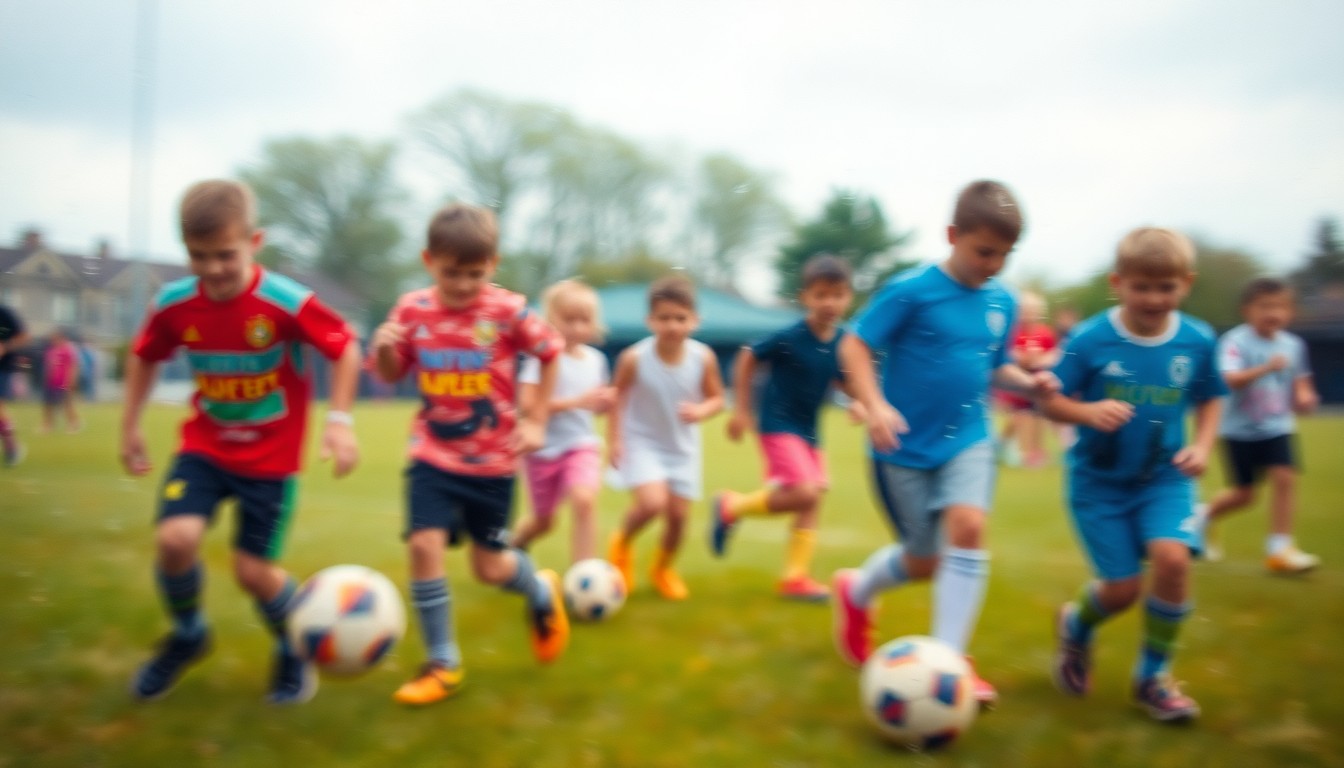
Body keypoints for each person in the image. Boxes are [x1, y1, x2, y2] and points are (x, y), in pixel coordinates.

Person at [120, 179, 362, 704]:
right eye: (197, 256)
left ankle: (294, 644)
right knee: (174, 540)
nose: (211, 269)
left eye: (225, 255)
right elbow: (144, 354)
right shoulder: (174, 304)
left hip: (271, 461)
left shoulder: (285, 302)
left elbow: (345, 348)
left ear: (255, 242)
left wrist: (339, 420)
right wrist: (130, 424)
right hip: (204, 448)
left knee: (254, 573)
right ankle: (189, 636)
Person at [831, 180, 1055, 707]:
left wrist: (1028, 381)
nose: (994, 264)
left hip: (969, 438)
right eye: (984, 251)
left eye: (1005, 254)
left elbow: (995, 365)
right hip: (902, 448)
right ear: (953, 235)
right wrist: (876, 403)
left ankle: (949, 663)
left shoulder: (1004, 300)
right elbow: (855, 345)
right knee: (923, 559)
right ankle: (856, 592)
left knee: (970, 526)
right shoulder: (911, 290)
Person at [370, 202, 570, 707]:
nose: (462, 285)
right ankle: (443, 663)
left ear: (493, 265)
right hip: (432, 455)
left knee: (491, 569)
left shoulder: (507, 311)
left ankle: (540, 590)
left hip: (493, 464)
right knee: (423, 545)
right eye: (450, 273)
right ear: (428, 260)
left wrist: (538, 419)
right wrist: (387, 347)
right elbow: (390, 374)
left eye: (475, 275)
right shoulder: (411, 310)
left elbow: (552, 353)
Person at [1042, 227, 1226, 723]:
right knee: (1121, 590)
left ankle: (1153, 679)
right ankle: (1076, 628)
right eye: (1141, 286)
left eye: (1166, 287)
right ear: (1117, 283)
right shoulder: (1089, 340)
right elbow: (1051, 401)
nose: (1153, 298)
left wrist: (1202, 446)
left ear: (1186, 283)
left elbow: (1212, 396)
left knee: (1173, 561)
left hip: (1165, 479)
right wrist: (1088, 413)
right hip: (1098, 484)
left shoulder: (1197, 340)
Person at [710, 254, 857, 602]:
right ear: (805, 297)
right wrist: (743, 409)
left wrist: (860, 401)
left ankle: (795, 578)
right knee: (805, 491)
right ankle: (732, 507)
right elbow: (748, 356)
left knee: (812, 498)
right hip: (777, 424)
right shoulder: (791, 335)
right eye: (821, 295)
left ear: (848, 296)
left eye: (837, 295)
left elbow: (841, 379)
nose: (829, 303)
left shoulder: (842, 341)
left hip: (809, 428)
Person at [606, 275, 725, 600]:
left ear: (694, 320)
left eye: (680, 318)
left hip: (682, 447)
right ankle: (621, 545)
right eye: (664, 318)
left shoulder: (703, 358)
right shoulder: (634, 358)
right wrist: (614, 441)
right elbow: (617, 399)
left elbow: (717, 399)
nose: (672, 325)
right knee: (652, 504)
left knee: (678, 518)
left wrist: (702, 411)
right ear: (650, 320)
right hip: (642, 441)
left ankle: (662, 568)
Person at [1197, 277, 1320, 572]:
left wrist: (1305, 397)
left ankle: (1279, 549)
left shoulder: (1293, 345)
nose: (1273, 313)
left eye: (1280, 307)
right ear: (1247, 310)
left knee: (1284, 477)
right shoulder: (1235, 343)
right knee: (1244, 494)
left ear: (1289, 312)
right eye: (1265, 306)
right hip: (1238, 429)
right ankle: (1204, 516)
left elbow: (1302, 382)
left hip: (1277, 426)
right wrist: (1265, 367)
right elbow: (1229, 379)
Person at [510, 279, 616, 562]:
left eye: (585, 320)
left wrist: (604, 403)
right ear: (550, 319)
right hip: (542, 450)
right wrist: (577, 402)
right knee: (544, 521)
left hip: (581, 444)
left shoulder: (596, 360)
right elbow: (528, 407)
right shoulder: (540, 360)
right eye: (569, 319)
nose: (578, 327)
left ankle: (584, 572)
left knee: (584, 500)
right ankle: (516, 543)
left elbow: (595, 407)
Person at [994, 290, 1058, 468]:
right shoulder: (1013, 333)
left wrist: (1041, 359)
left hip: (1038, 382)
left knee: (1039, 417)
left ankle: (1034, 452)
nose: (1029, 315)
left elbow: (1055, 354)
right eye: (1025, 310)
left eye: (1033, 310)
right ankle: (1003, 444)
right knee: (1019, 418)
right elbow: (1006, 355)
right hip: (1016, 383)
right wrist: (1023, 359)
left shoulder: (1045, 333)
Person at [0, 304, 30, 466]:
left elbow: (24, 337)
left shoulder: (5, 313)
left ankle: (12, 448)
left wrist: (5, 346)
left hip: (3, 367)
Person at [40, 327, 82, 434]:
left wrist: (71, 380)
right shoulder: (51, 351)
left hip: (64, 382)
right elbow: (49, 366)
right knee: (48, 404)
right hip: (51, 382)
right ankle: (48, 425)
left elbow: (74, 365)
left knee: (67, 404)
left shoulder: (68, 349)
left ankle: (73, 423)